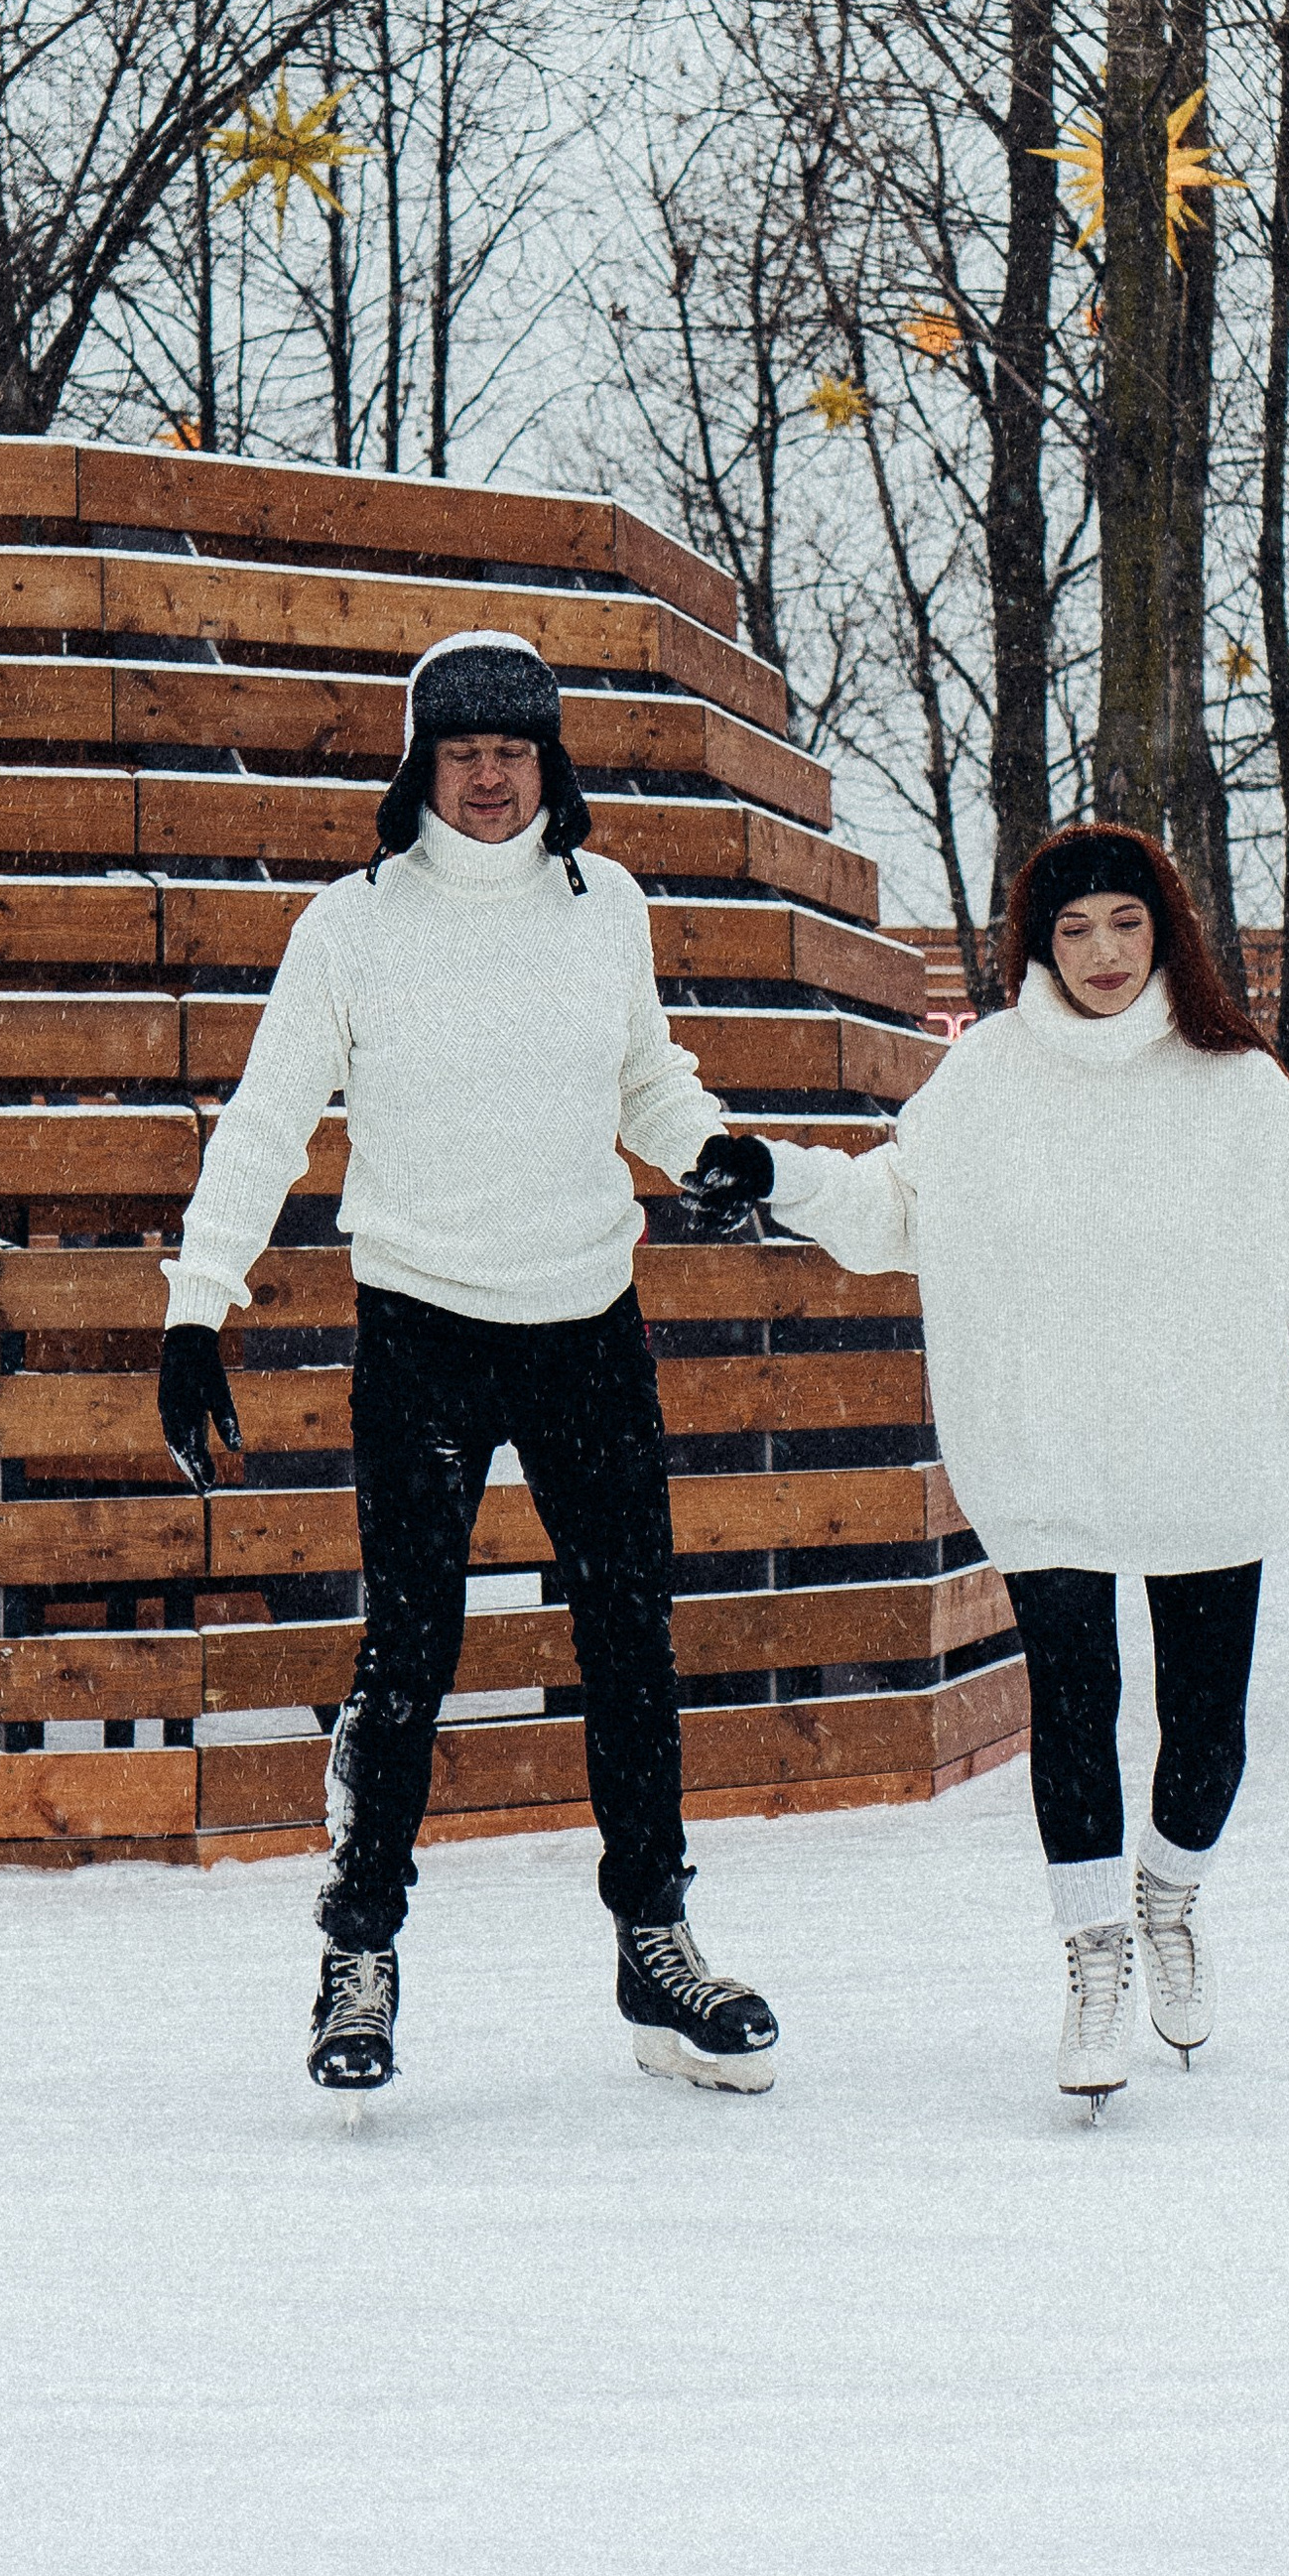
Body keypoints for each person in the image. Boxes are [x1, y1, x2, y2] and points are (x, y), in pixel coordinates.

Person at [707, 825, 1289, 2115]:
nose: (1099, 952)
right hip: (1046, 1444)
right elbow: (893, 1205)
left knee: (1204, 1731)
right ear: (1040, 939)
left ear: (1163, 931)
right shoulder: (991, 1080)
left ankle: (1168, 1899)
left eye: (1124, 924)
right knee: (1074, 1709)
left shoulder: (1234, 1087)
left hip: (1203, 1441)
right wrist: (773, 1175)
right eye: (1073, 929)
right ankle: (1091, 1960)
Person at [155, 628, 781, 2100]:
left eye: (514, 751)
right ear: (422, 766)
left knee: (631, 1639)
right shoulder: (354, 925)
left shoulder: (604, 904)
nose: (490, 777)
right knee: (414, 1648)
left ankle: (656, 1938)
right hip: (424, 1325)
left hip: (587, 1320)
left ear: (547, 762)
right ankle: (358, 1949)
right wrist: (198, 1304)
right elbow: (263, 1121)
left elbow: (648, 1075)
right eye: (463, 752)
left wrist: (706, 1150)